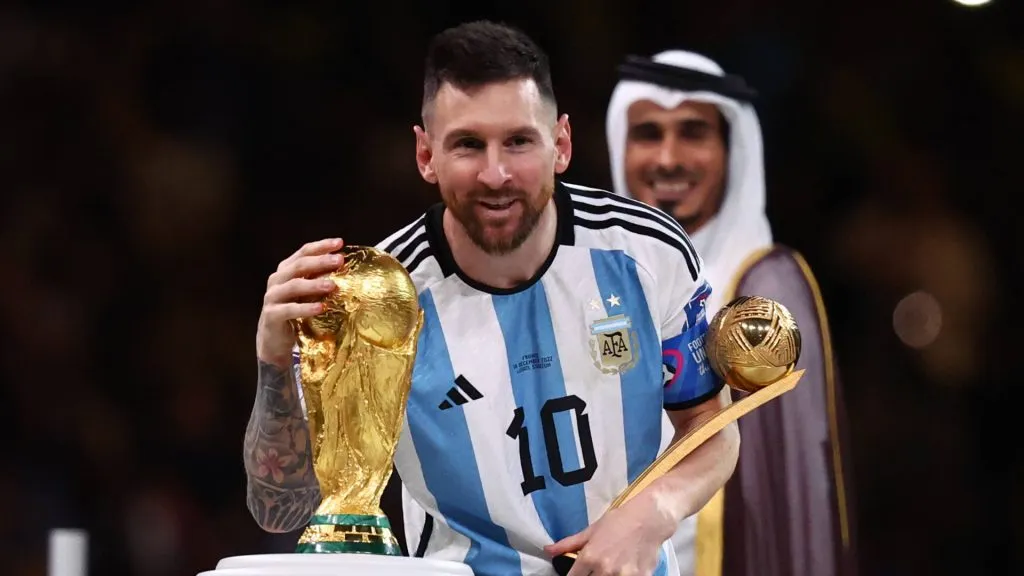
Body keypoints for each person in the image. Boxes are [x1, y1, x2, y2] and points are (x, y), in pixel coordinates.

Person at [244, 21, 740, 576]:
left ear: (562, 144)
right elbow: (280, 509)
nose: (496, 173)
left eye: (519, 141)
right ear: (426, 154)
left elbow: (711, 429)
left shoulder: (650, 253)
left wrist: (655, 510)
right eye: (468, 145)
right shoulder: (375, 298)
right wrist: (273, 361)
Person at [605, 50, 858, 576]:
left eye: (693, 133)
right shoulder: (590, 281)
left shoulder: (766, 287)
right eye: (648, 134)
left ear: (731, 149)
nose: (668, 158)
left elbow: (783, 499)